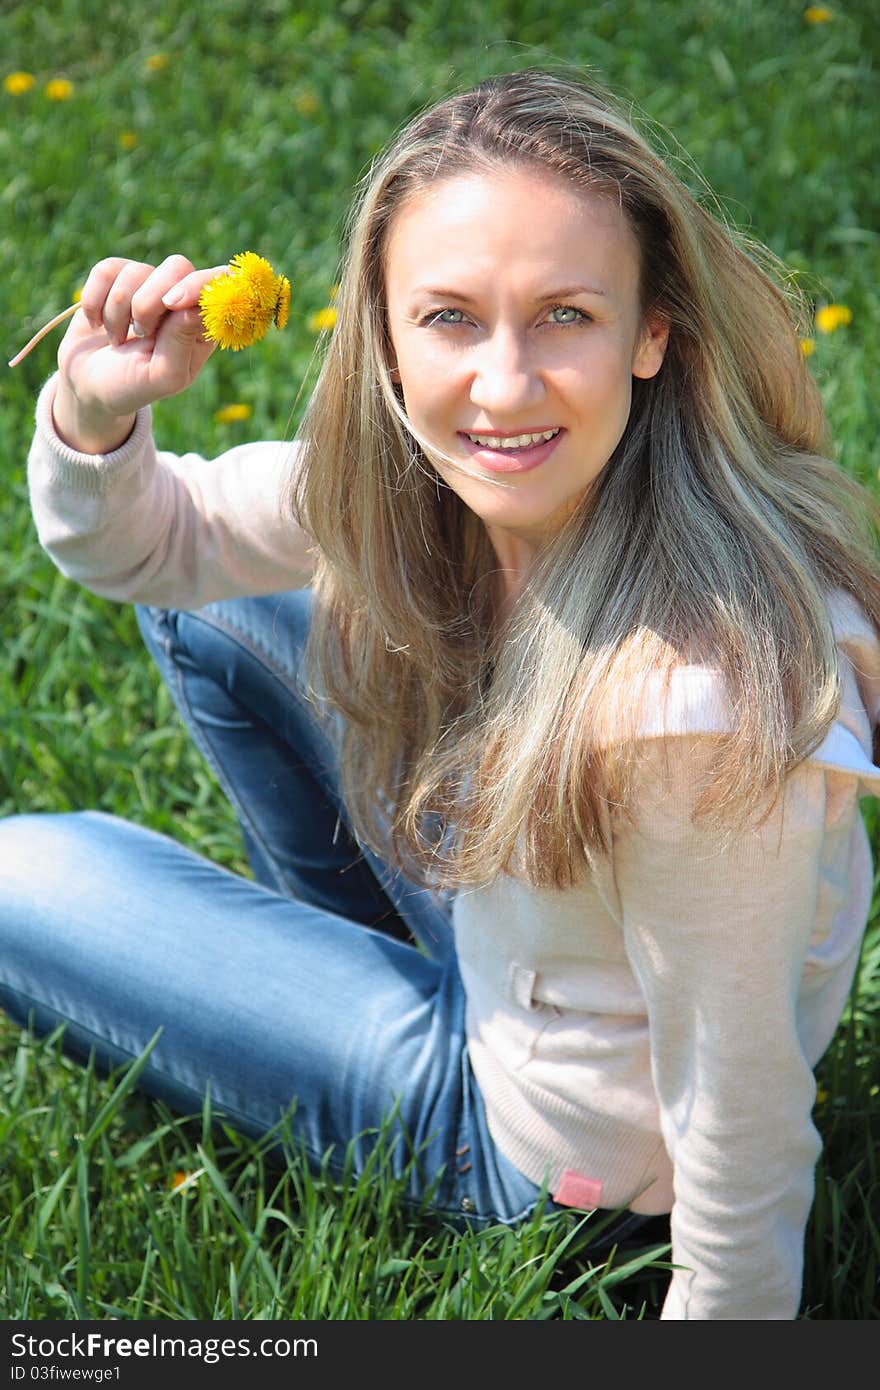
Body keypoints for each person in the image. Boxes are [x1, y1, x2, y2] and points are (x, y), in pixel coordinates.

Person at [3, 67, 880, 1321]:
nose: (505, 385)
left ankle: (368, 1030)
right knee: (215, 604)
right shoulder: (415, 488)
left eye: (565, 314)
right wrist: (94, 409)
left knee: (20, 875)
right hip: (520, 941)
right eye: (452, 319)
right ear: (384, 333)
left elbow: (738, 1129)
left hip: (562, 1153)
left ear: (652, 333)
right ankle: (354, 960)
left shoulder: (695, 706)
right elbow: (154, 547)